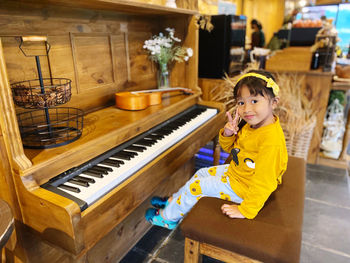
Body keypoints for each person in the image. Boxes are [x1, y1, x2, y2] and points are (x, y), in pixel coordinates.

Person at [145, 70, 288, 229]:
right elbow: (232, 152)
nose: (247, 109)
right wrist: (228, 134)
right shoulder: (252, 126)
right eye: (241, 102)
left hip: (244, 188)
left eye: (254, 101)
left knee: (197, 187)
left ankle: (168, 218)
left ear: (274, 102)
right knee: (201, 173)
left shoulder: (271, 141)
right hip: (238, 173)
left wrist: (246, 210)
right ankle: (174, 201)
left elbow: (265, 182)